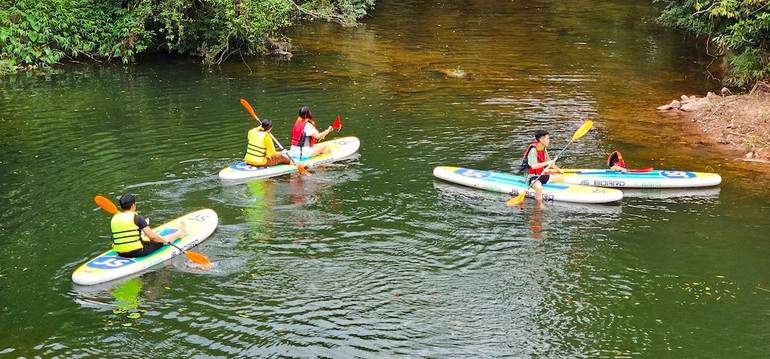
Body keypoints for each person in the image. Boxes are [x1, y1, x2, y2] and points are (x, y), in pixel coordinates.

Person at [111, 194, 185, 258]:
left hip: (121, 253)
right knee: (158, 240)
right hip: (138, 252)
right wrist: (163, 241)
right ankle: (179, 234)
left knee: (144, 238)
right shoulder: (137, 218)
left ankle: (145, 230)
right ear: (133, 205)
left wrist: (144, 225)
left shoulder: (114, 218)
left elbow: (128, 232)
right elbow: (153, 237)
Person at [522, 130, 564, 201]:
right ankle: (539, 204)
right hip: (532, 176)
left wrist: (558, 169)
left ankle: (559, 195)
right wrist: (548, 163)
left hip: (541, 174)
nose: (549, 141)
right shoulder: (533, 150)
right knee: (539, 188)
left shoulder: (543, 149)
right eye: (547, 139)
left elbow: (550, 162)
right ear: (541, 140)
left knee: (560, 178)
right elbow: (533, 166)